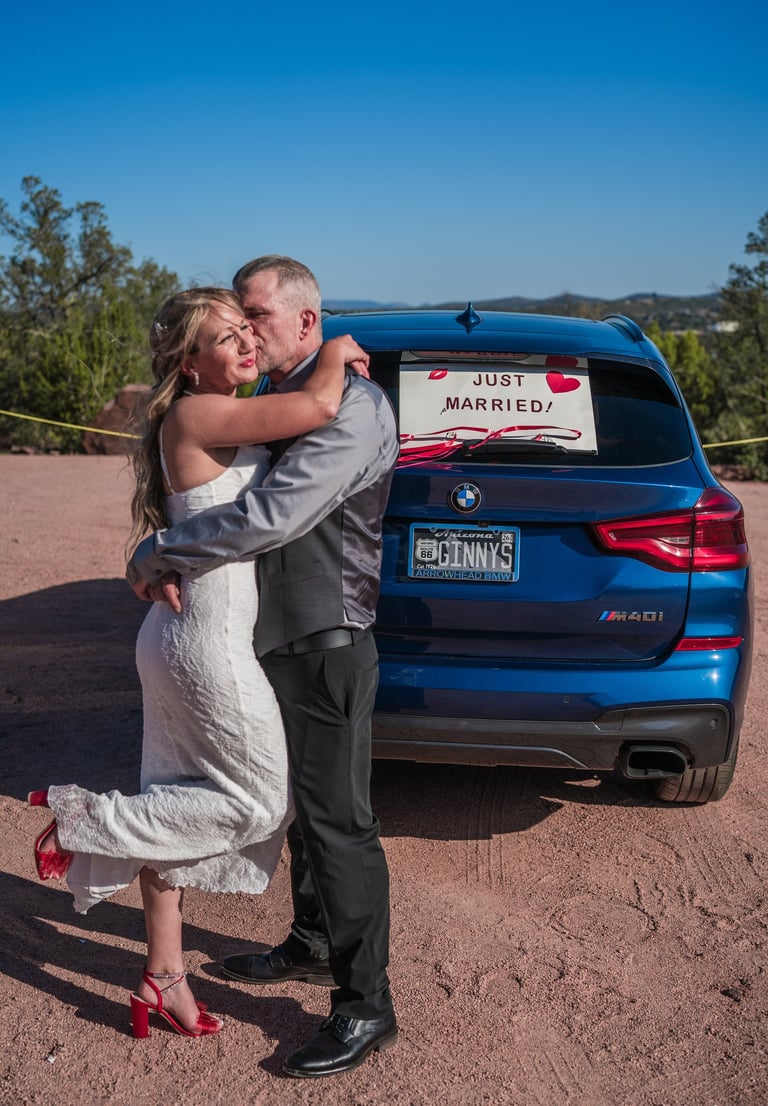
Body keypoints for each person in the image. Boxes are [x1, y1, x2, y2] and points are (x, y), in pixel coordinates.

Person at [30, 286, 368, 1040]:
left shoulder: (211, 413)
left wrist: (145, 558)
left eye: (248, 333)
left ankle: (164, 972)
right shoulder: (197, 412)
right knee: (261, 801)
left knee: (177, 806)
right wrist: (340, 352)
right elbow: (317, 409)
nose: (246, 348)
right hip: (204, 645)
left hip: (184, 636)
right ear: (188, 362)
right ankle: (85, 819)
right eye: (226, 339)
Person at [127, 256, 400, 1078]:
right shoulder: (264, 408)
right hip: (263, 642)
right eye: (235, 324)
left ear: (307, 321)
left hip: (326, 639)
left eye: (257, 316)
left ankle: (365, 1008)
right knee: (304, 813)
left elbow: (273, 518)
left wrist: (158, 547)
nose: (248, 331)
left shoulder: (351, 405)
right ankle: (313, 944)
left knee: (338, 823)